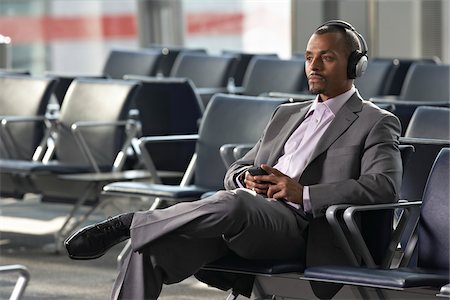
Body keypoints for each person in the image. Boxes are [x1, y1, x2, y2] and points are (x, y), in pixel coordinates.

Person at [65, 20, 402, 300]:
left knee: (234, 203)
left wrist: (303, 193)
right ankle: (142, 228)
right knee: (149, 249)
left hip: (305, 230)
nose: (312, 66)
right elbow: (238, 169)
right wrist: (246, 179)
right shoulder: (287, 114)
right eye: (309, 57)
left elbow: (383, 187)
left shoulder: (375, 121)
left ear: (355, 65)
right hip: (244, 219)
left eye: (325, 57)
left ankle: (130, 222)